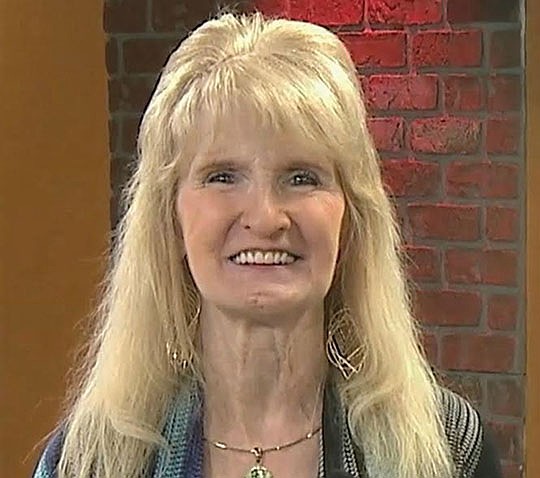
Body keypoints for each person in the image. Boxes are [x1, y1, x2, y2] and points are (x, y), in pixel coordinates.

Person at [33, 11, 502, 478]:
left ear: (351, 220)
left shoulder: (448, 448)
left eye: (301, 178)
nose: (265, 218)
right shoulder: (88, 462)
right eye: (222, 176)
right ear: (170, 220)